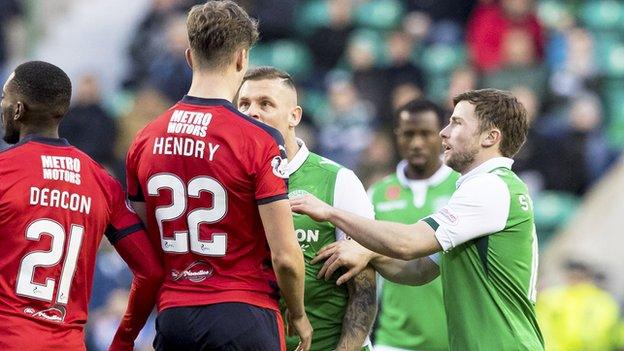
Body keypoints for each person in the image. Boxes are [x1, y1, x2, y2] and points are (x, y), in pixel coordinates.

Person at [292, 89, 544, 350]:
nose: (443, 132)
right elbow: (419, 269)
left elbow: (408, 243)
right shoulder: (489, 187)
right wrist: (372, 254)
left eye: (457, 123)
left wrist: (331, 212)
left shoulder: (489, 187)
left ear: (490, 137)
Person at [123, 2, 311, 350]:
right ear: (242, 59)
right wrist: (297, 313)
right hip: (243, 312)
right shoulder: (258, 139)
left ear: (189, 57)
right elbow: (285, 255)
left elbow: (144, 246)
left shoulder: (145, 139)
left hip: (175, 314)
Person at [0, 61, 162, 351]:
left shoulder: (5, 172)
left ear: (18, 110)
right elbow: (150, 271)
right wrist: (123, 340)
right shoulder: (100, 180)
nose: (2, 105)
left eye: (4, 97)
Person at [237, 66, 376, 351]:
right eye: (244, 104)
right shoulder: (227, 183)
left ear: (294, 116)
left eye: (265, 104)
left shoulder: (338, 180)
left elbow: (363, 287)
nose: (252, 112)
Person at [366, 99, 458, 351]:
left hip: (456, 340)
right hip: (393, 340)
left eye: (426, 134)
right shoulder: (378, 194)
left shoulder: (463, 188)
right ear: (397, 136)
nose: (417, 143)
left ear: (442, 135)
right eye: (408, 134)